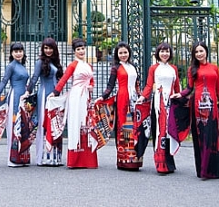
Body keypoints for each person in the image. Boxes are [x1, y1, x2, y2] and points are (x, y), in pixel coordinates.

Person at [175, 41, 219, 179]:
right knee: (201, 136)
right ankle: (203, 170)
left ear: (206, 51)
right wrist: (180, 94)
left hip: (213, 107)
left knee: (212, 135)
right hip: (197, 106)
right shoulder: (192, 69)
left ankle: (213, 170)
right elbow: (189, 88)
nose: (199, 54)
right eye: (196, 52)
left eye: (201, 51)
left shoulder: (214, 68)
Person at [48, 38, 98, 169]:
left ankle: (87, 159)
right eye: (78, 49)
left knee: (86, 124)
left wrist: (91, 86)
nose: (81, 51)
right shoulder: (73, 65)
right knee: (76, 123)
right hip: (76, 96)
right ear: (74, 51)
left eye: (82, 48)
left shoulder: (88, 65)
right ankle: (75, 159)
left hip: (86, 97)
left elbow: (91, 80)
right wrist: (55, 92)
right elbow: (64, 79)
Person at [95, 41, 142, 170]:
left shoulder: (133, 66)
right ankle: (124, 160)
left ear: (129, 53)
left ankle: (135, 160)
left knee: (135, 128)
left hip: (134, 99)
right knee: (124, 127)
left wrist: (141, 96)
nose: (123, 55)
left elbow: (137, 84)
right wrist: (103, 97)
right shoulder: (116, 68)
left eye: (125, 52)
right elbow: (110, 86)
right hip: (122, 99)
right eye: (120, 53)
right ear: (117, 54)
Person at [137, 41, 181, 174]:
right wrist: (143, 97)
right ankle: (160, 162)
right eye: (162, 51)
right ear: (158, 53)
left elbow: (177, 86)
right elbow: (149, 85)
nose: (165, 54)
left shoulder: (173, 68)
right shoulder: (153, 68)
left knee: (170, 132)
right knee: (159, 132)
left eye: (167, 51)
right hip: (158, 103)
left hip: (171, 103)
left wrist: (181, 97)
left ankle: (170, 162)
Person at [25, 37, 64, 166]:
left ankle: (55, 158)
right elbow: (34, 77)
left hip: (56, 97)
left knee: (55, 124)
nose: (48, 50)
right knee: (44, 124)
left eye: (50, 48)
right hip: (45, 97)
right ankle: (43, 157)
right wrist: (28, 91)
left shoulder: (55, 62)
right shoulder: (40, 62)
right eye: (46, 48)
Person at [0, 42, 30, 166]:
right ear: (11, 53)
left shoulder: (22, 65)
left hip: (23, 97)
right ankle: (13, 158)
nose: (18, 53)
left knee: (23, 124)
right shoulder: (11, 66)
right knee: (14, 124)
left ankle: (23, 156)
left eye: (20, 51)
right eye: (16, 51)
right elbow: (4, 81)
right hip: (15, 97)